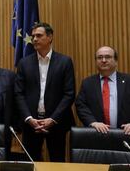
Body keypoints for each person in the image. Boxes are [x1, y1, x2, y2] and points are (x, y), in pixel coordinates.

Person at [16, 22, 75, 162]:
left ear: (50, 37)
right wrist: (29, 119)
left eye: (39, 35)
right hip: (31, 124)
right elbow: (18, 93)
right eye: (33, 36)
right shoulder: (24, 63)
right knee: (31, 162)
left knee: (57, 161)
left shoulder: (64, 61)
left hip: (56, 123)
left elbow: (69, 93)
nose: (34, 39)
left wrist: (53, 119)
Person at [75, 46, 130, 135]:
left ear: (116, 61)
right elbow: (80, 105)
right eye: (99, 57)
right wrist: (93, 122)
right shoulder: (88, 83)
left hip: (126, 134)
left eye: (108, 57)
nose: (103, 60)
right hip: (96, 134)